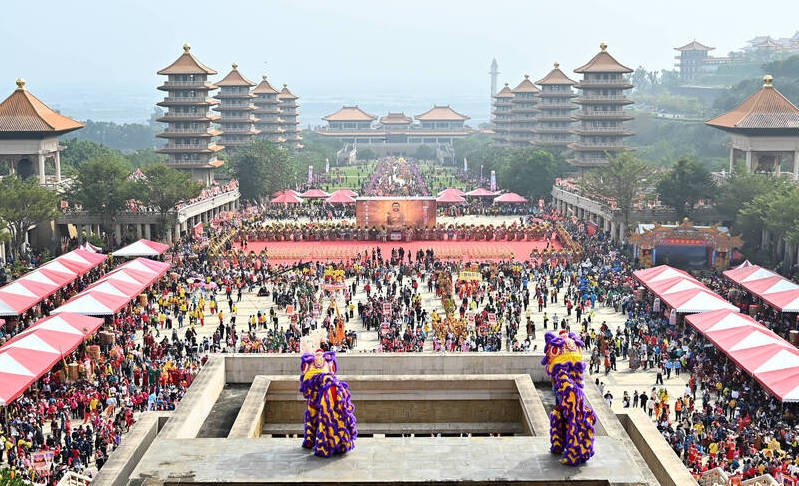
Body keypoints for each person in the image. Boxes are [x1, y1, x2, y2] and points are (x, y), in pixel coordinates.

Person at [299, 330, 357, 457]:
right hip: (328, 394)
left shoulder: (308, 361)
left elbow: (304, 380)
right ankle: (332, 440)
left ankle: (310, 440)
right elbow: (333, 373)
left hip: (317, 396)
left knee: (312, 418)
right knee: (327, 417)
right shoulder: (329, 361)